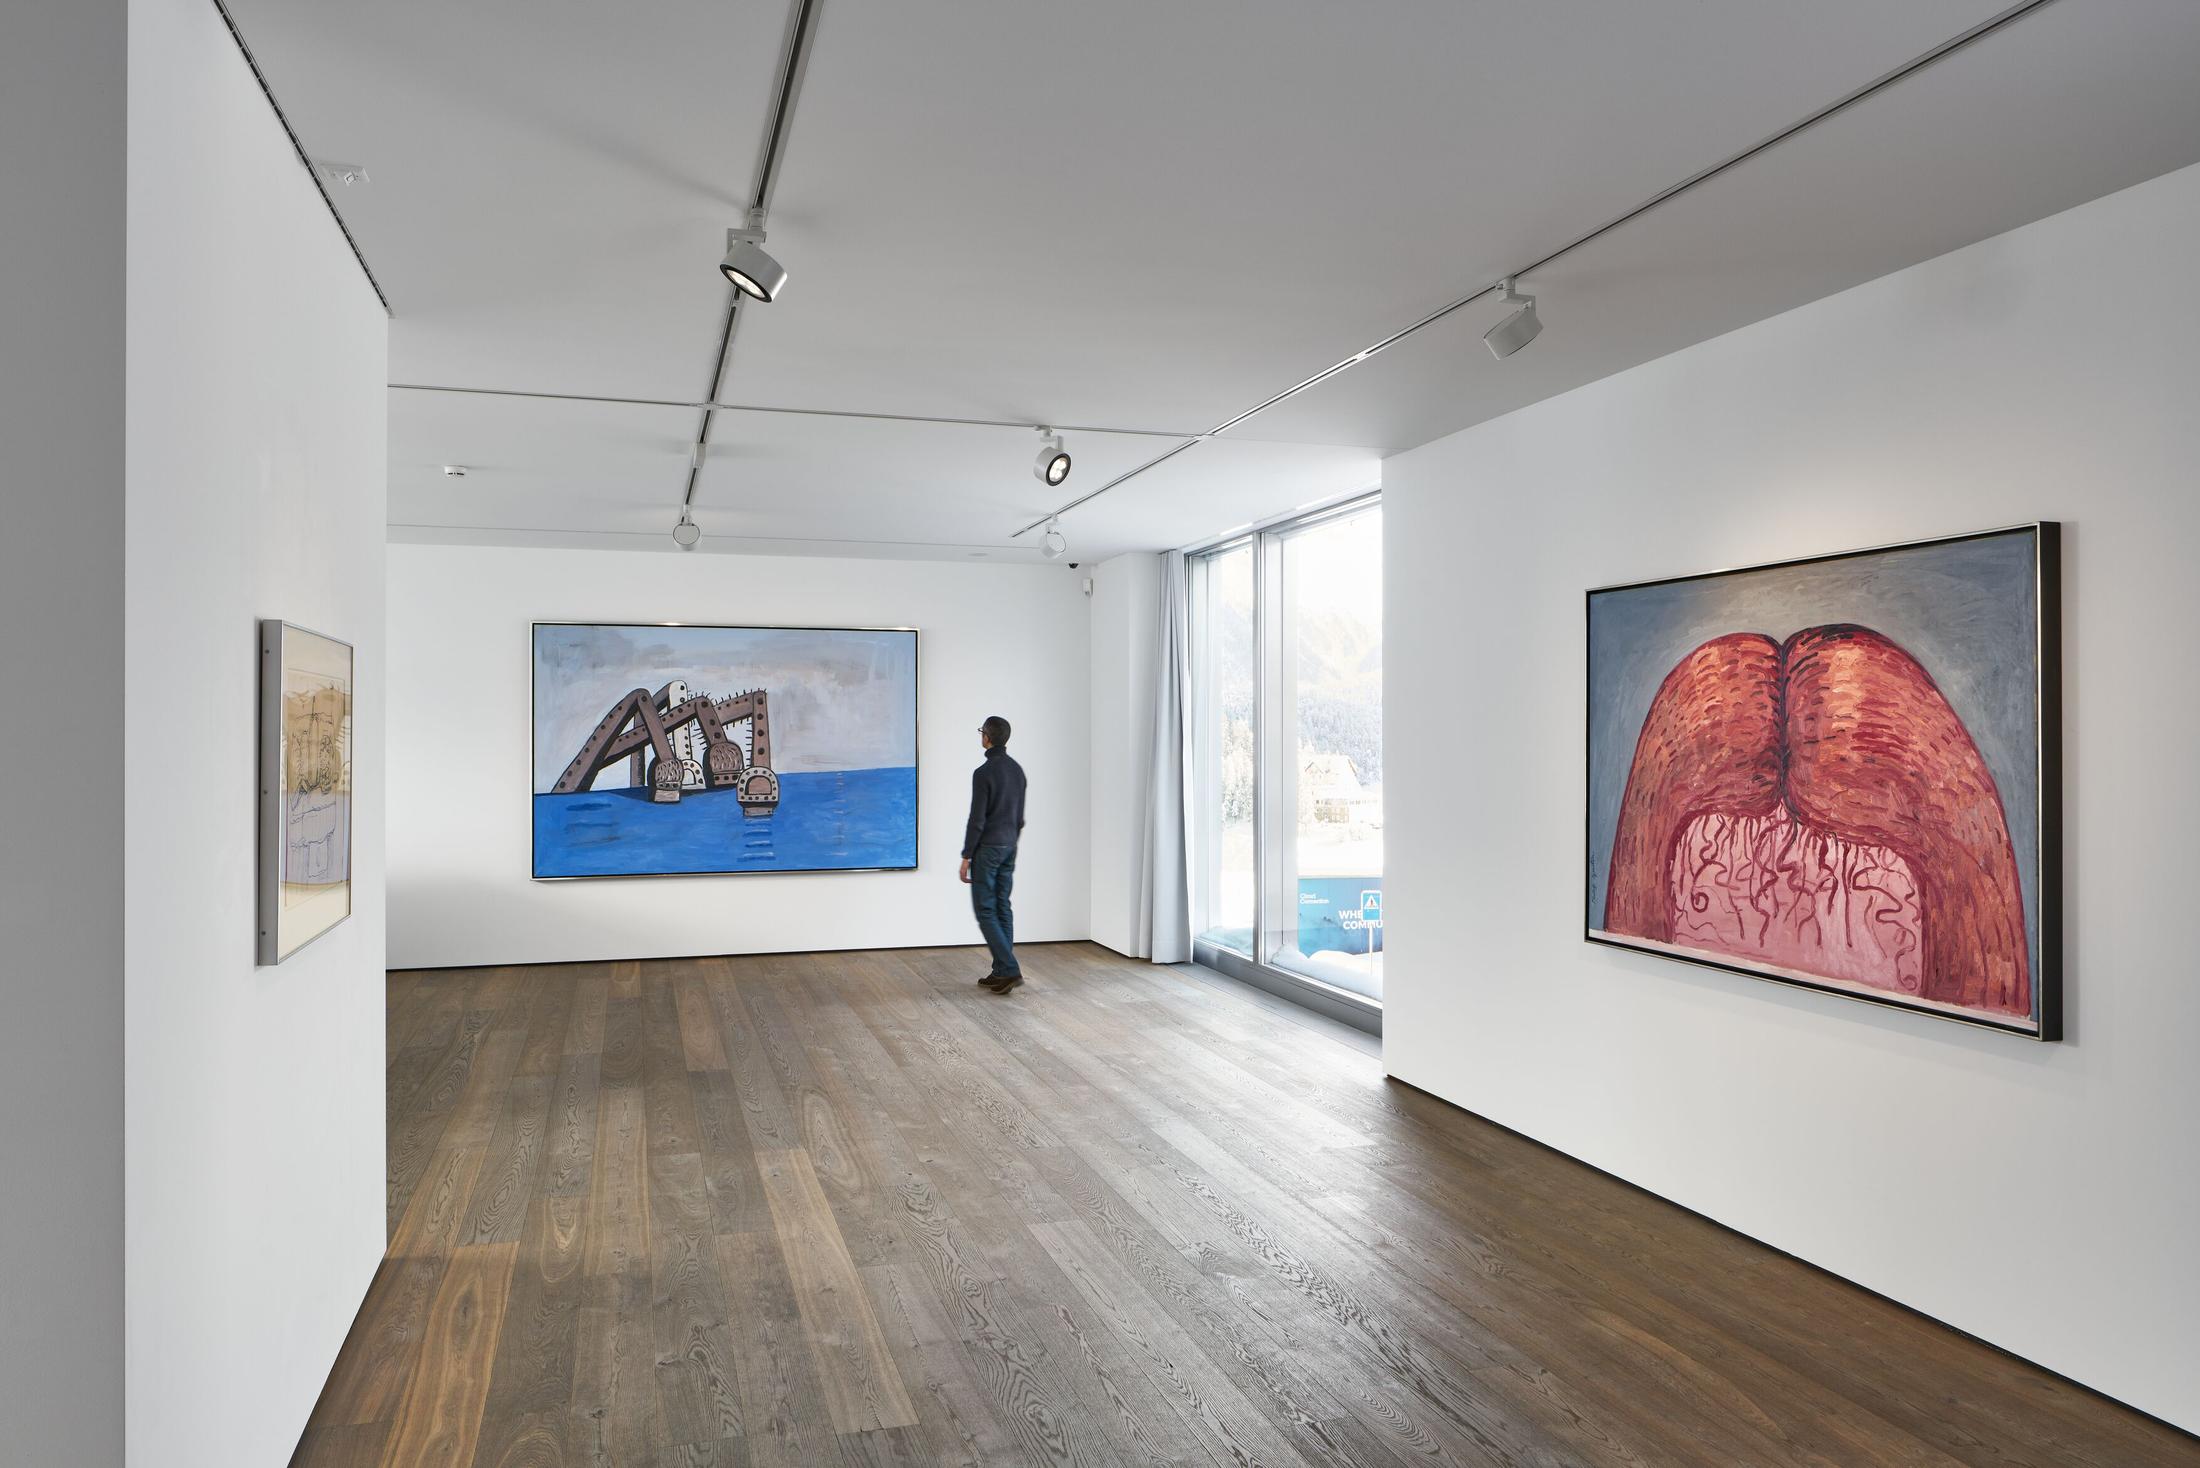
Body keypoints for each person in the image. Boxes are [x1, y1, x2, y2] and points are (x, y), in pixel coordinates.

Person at [961, 714, 1028, 993]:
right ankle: (1001, 969)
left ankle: (1010, 969)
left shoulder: (983, 773)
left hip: (988, 848)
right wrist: (1011, 842)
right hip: (1010, 845)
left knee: (985, 910)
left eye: (981, 732)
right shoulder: (1017, 771)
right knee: (1003, 906)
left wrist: (966, 856)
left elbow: (977, 820)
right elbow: (1019, 818)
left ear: (987, 737)